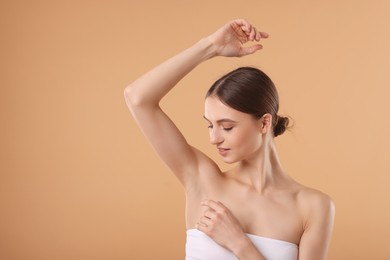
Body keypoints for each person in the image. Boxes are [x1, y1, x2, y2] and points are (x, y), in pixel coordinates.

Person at [124, 19, 335, 260]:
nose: (214, 138)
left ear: (264, 123)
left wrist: (240, 245)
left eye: (226, 127)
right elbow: (137, 97)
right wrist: (210, 46)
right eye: (209, 125)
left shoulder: (313, 207)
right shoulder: (201, 179)